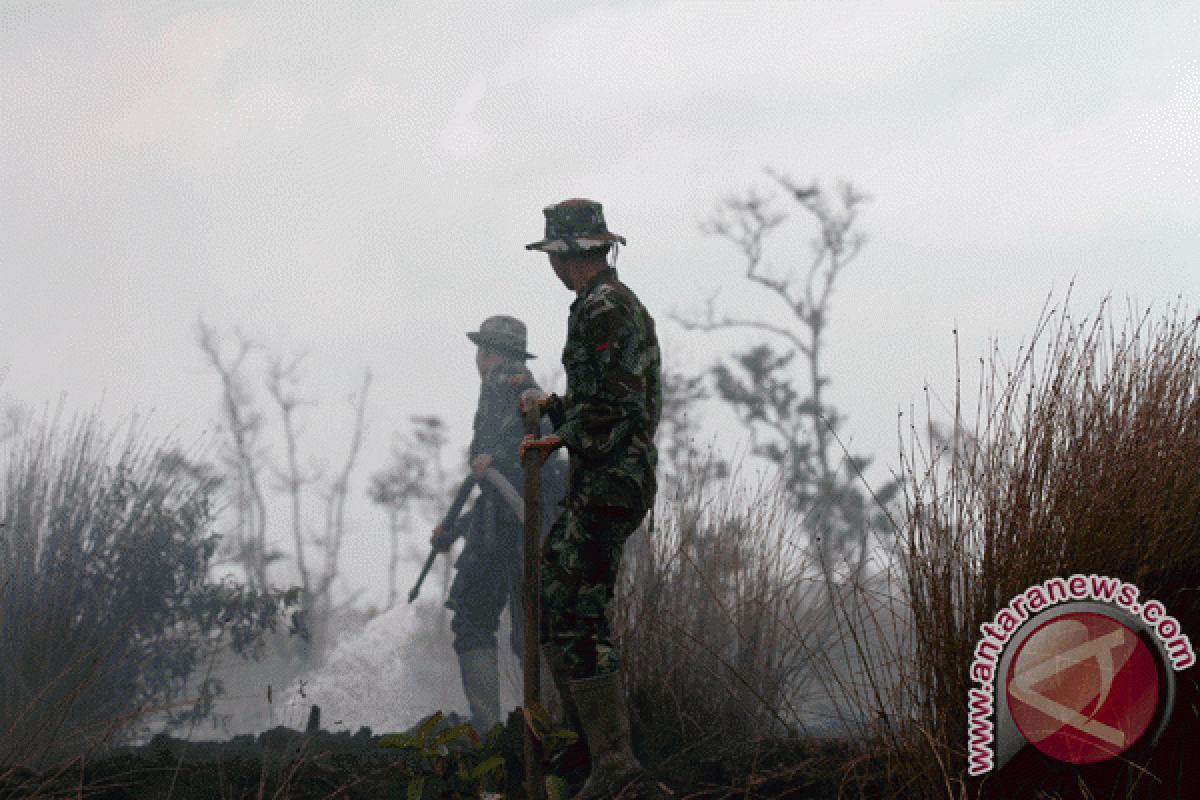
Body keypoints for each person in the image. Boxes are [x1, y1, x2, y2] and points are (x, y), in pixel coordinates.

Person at [518, 199, 667, 800]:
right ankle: (593, 751)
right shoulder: (598, 306)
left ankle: (615, 768)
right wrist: (552, 407)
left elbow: (618, 407)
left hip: (614, 477)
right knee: (556, 595)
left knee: (579, 610)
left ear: (565, 256)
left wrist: (556, 436)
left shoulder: (606, 309)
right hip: (602, 477)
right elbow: (595, 397)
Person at [430, 314, 559, 733]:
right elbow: (493, 490)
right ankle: (501, 730)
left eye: (483, 351)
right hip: (499, 522)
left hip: (524, 525)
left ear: (488, 352)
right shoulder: (497, 390)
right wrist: (456, 528)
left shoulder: (511, 380)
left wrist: (499, 459)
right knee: (479, 616)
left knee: (525, 630)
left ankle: (539, 730)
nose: (483, 360)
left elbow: (544, 430)